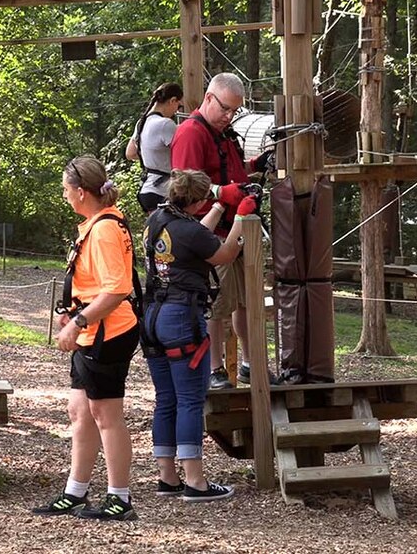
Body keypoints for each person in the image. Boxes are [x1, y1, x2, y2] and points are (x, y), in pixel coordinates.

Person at [31, 155, 140, 522]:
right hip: (92, 332)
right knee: (79, 411)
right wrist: (75, 311)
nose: (63, 195)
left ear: (80, 192)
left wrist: (77, 321)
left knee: (106, 415)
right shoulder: (95, 224)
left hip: (109, 333)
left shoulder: (106, 229)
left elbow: (116, 290)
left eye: (65, 189)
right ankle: (75, 492)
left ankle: (119, 497)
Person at [141, 169, 258, 502]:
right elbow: (223, 253)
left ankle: (167, 476)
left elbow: (194, 236)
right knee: (191, 399)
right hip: (181, 318)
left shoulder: (158, 219)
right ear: (197, 200)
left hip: (152, 317)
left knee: (166, 399)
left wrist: (220, 205)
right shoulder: (188, 229)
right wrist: (241, 217)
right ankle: (195, 481)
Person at [170, 72, 274, 390]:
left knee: (247, 300)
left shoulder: (225, 134)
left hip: (240, 227)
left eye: (234, 111)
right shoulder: (191, 133)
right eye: (225, 109)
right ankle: (215, 369)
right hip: (210, 231)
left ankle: (249, 363)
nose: (229, 116)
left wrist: (256, 165)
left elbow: (231, 171)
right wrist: (222, 194)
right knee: (217, 304)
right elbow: (185, 187)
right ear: (209, 98)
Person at [124, 83, 183, 214]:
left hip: (147, 190)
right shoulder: (166, 124)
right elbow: (184, 152)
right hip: (164, 192)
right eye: (179, 106)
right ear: (173, 100)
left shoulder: (142, 122)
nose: (177, 111)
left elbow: (130, 153)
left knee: (155, 233)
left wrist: (152, 155)